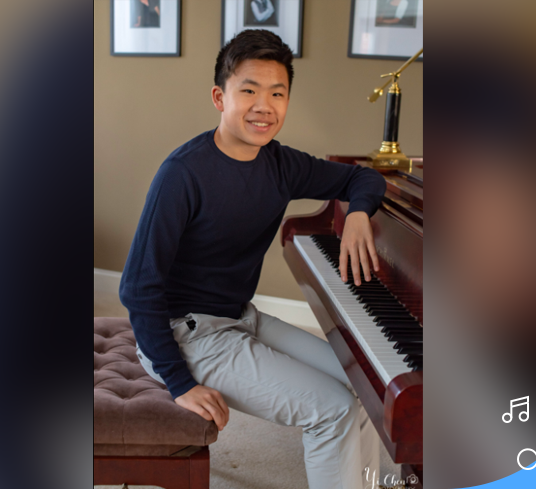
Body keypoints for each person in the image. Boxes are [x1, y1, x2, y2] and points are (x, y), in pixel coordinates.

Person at [119, 29, 387, 489]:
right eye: (249, 90)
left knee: (365, 388)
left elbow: (362, 179)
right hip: (185, 334)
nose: (264, 105)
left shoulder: (280, 164)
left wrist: (359, 211)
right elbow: (137, 288)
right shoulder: (182, 174)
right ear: (220, 97)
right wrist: (181, 383)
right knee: (334, 408)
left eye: (277, 93)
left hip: (239, 318)